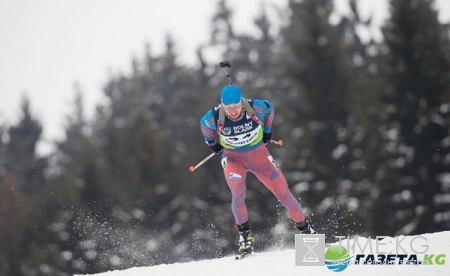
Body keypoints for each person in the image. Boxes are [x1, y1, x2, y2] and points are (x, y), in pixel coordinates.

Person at [199, 85, 315, 255]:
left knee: (283, 192)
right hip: (233, 159)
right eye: (228, 107)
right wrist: (213, 145)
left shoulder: (256, 107)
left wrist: (267, 131)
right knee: (237, 191)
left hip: (258, 155)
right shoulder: (214, 117)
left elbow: (270, 107)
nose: (232, 111)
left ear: (241, 102)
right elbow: (204, 125)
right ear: (222, 105)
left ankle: (307, 232)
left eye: (236, 106)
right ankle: (245, 237)